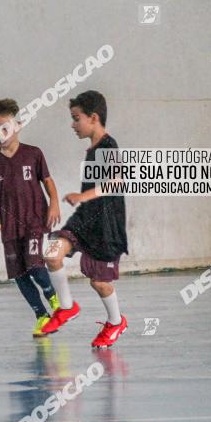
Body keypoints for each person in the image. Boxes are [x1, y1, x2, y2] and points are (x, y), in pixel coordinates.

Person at [41, 90, 129, 349]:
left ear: (93, 117)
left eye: (76, 118)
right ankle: (66, 306)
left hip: (106, 226)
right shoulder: (92, 149)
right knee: (52, 253)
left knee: (100, 283)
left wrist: (83, 195)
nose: (72, 124)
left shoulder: (108, 146)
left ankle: (115, 322)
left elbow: (116, 181)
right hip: (85, 220)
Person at [0, 98, 61, 337]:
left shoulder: (33, 154)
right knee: (19, 273)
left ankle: (56, 302)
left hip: (34, 220)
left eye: (4, 126)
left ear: (17, 125)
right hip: (9, 227)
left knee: (35, 264)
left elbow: (47, 181)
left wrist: (54, 204)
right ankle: (41, 315)